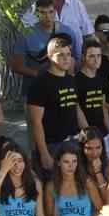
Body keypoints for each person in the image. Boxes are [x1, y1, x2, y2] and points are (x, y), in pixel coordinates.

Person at [26, 34, 88, 174]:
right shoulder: (40, 84)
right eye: (61, 55)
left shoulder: (71, 80)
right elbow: (35, 121)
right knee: (53, 189)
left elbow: (77, 109)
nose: (66, 58)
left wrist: (88, 134)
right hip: (53, 145)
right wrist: (44, 153)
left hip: (75, 142)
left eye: (68, 54)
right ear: (50, 56)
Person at [10, 0, 83, 84]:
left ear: (55, 12)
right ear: (36, 13)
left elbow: (75, 58)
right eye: (43, 13)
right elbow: (16, 65)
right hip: (36, 84)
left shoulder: (68, 32)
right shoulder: (26, 34)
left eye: (51, 12)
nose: (47, 16)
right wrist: (37, 74)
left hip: (62, 85)